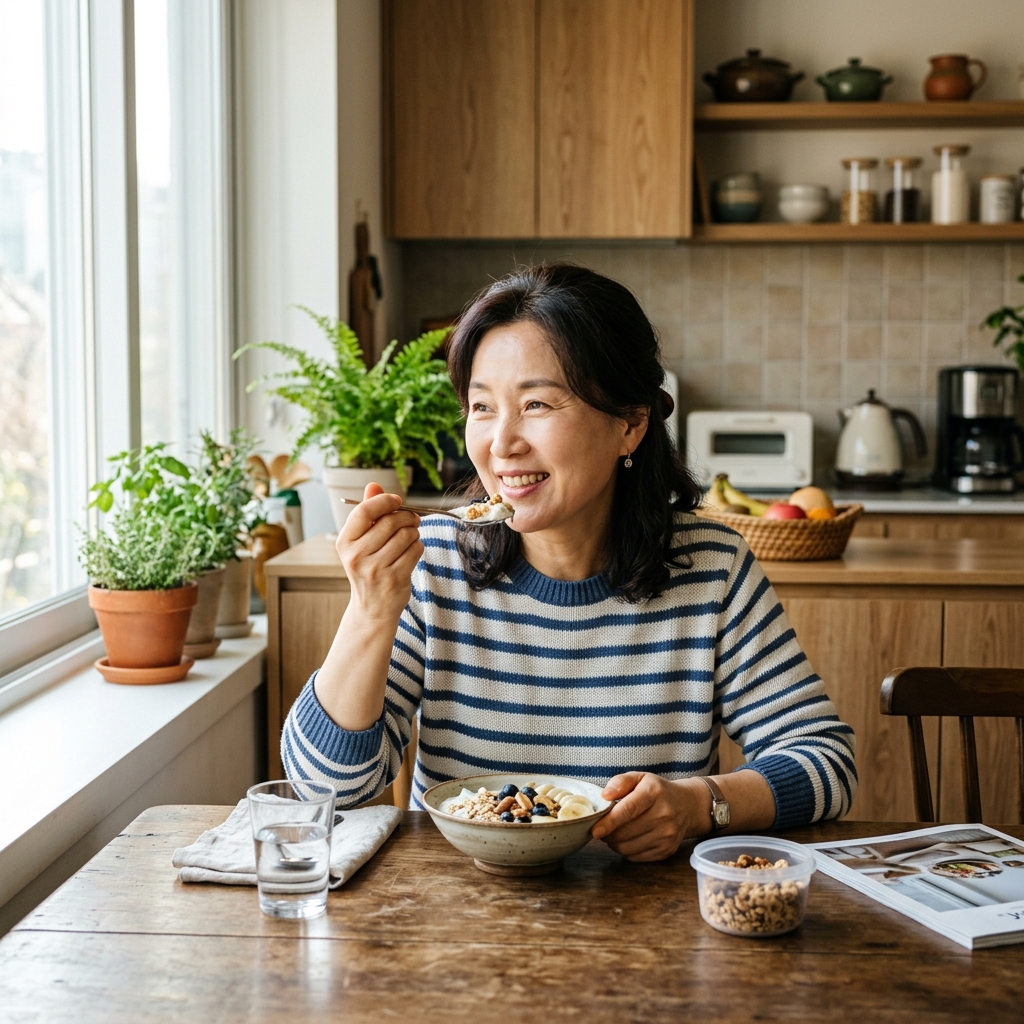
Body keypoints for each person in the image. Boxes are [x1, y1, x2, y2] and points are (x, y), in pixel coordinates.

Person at [282, 263, 856, 862]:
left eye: (536, 404)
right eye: (482, 407)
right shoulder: (434, 563)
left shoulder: (709, 569)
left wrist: (699, 804)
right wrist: (371, 610)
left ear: (630, 424)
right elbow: (325, 791)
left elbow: (827, 762)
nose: (502, 443)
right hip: (457, 919)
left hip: (647, 918)